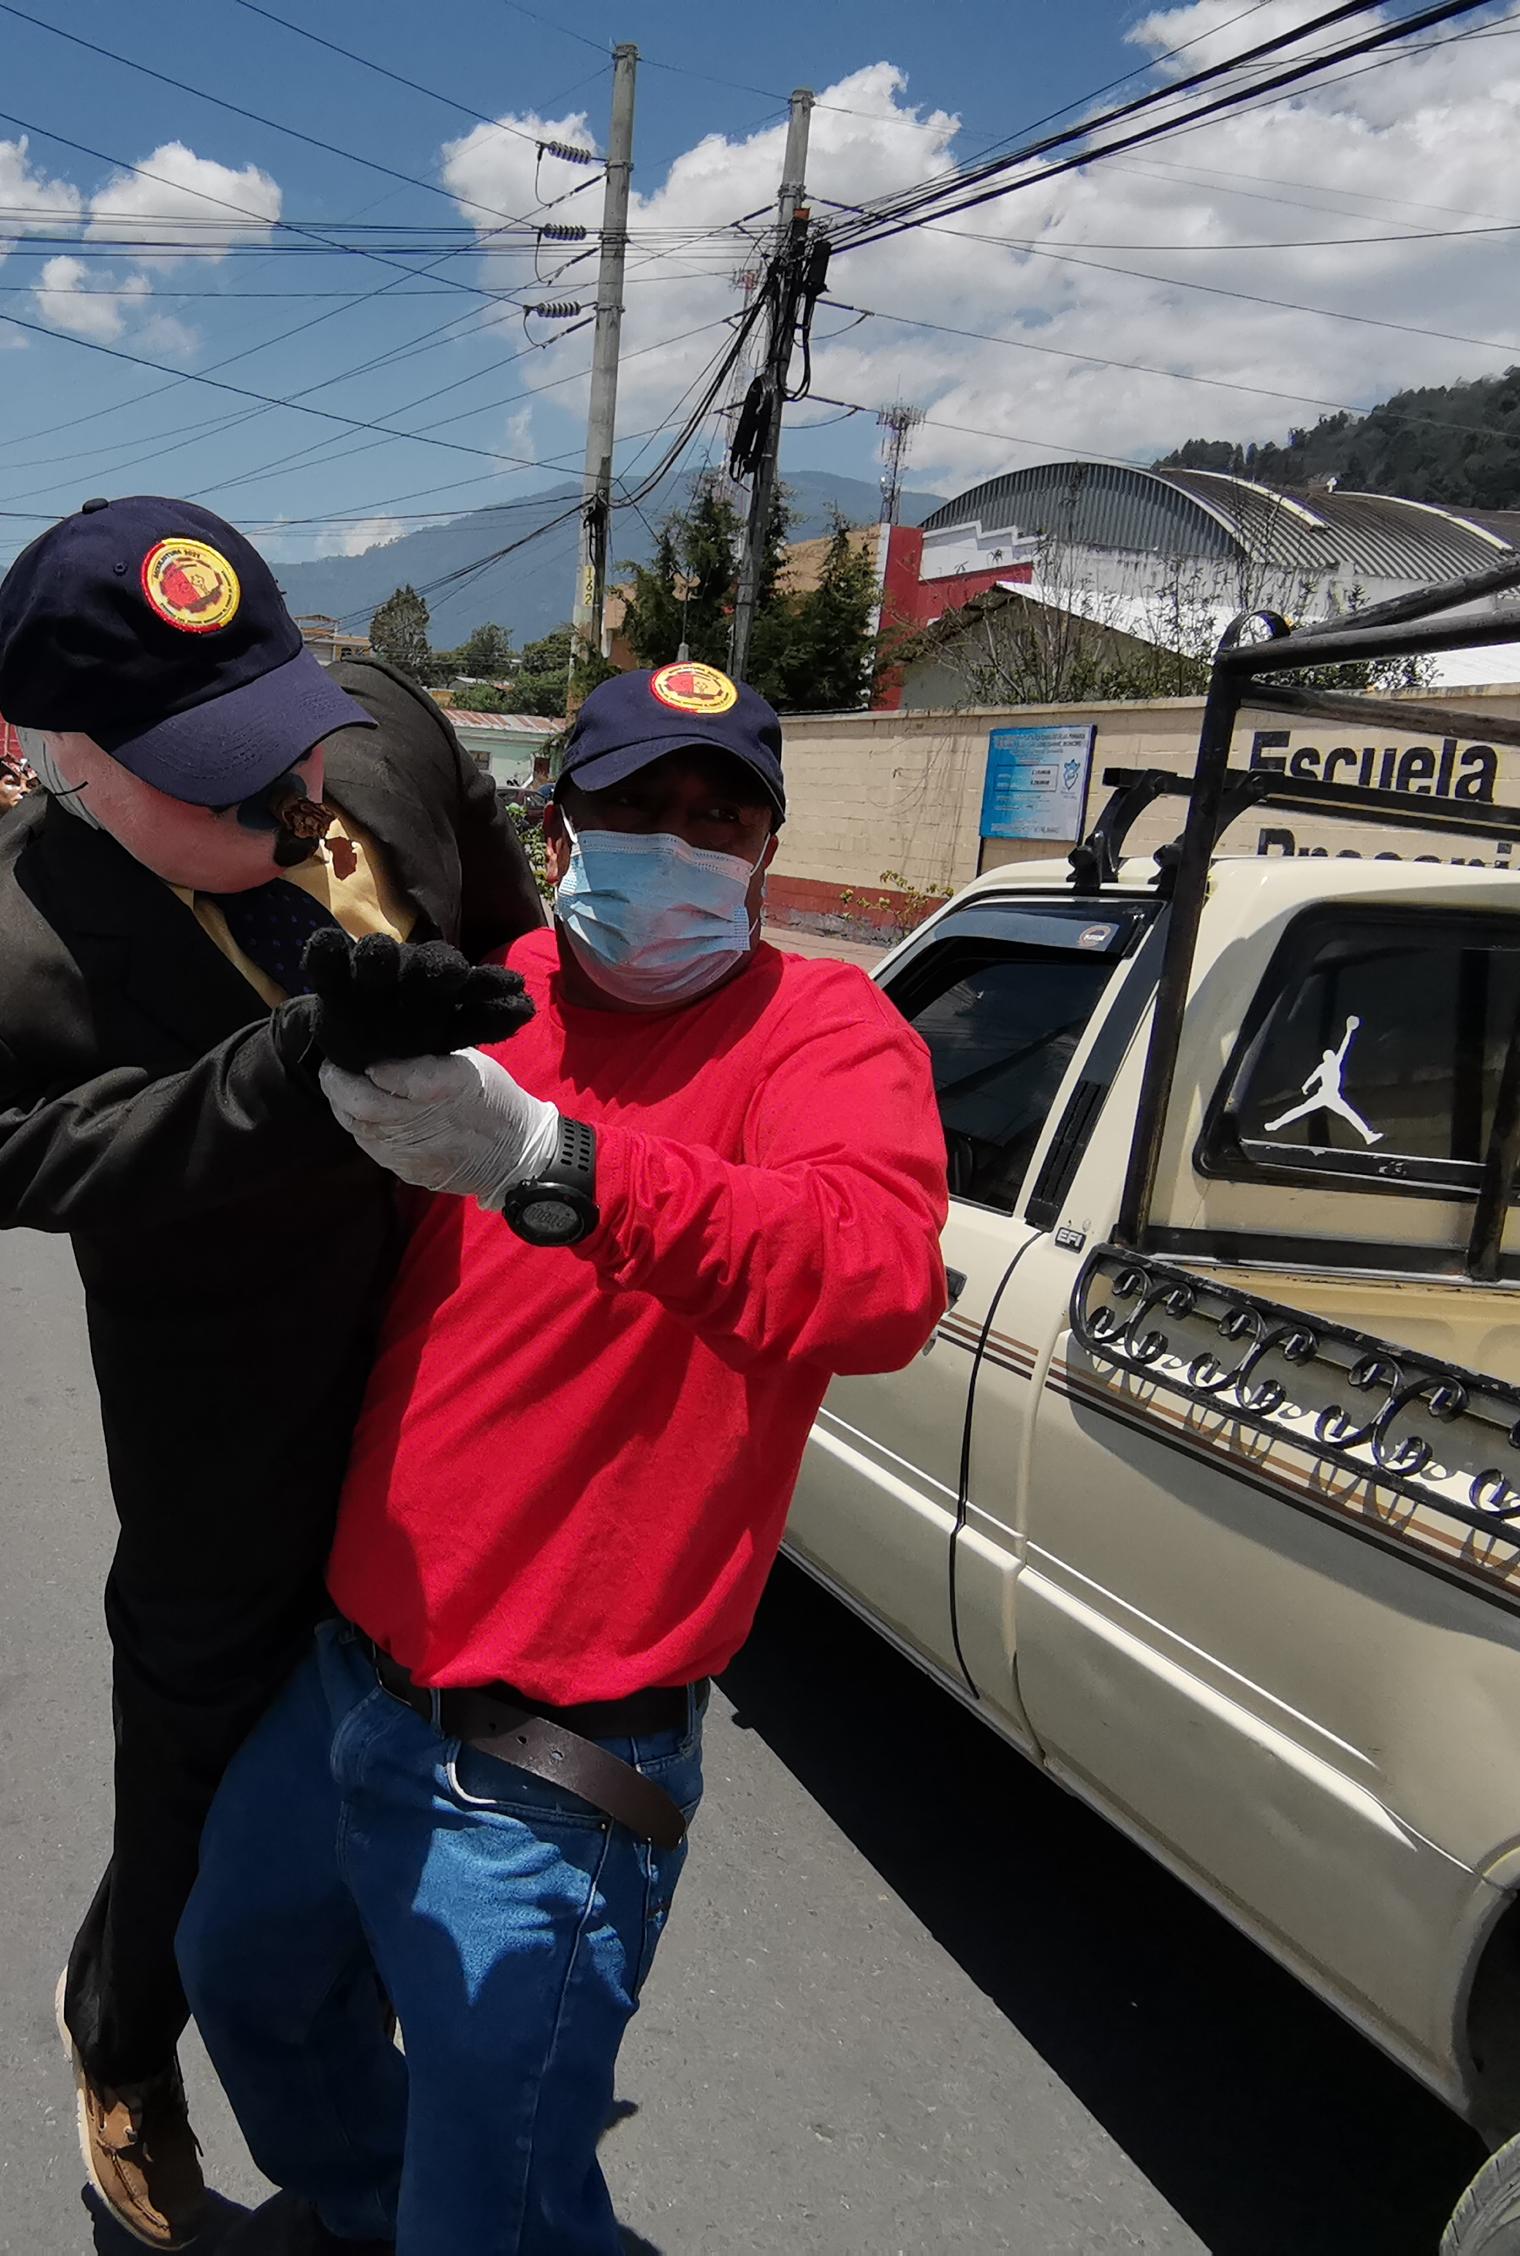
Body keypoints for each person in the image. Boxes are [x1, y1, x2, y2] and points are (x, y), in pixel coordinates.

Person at [175, 662, 951, 2256]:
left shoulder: (826, 1030)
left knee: (504, 2195)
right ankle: (370, 2207)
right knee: (241, 1982)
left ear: (764, 846)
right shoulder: (496, 995)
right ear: (564, 820)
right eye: (635, 805)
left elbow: (877, 1278)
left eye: (716, 812)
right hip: (350, 1674)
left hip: (549, 1767)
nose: (677, 838)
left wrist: (552, 1162)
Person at [0, 496, 543, 2249]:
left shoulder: (375, 725)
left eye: (272, 727)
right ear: (60, 756)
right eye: (205, 767)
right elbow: (32, 1158)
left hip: (468, 1368)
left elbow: (512, 918)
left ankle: (364, 2080)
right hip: (232, 1432)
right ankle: (121, 2041)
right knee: (190, 1790)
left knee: (441, 1779)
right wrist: (286, 1072)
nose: (278, 794)